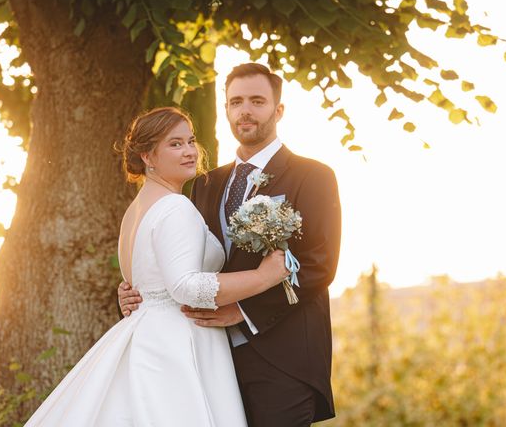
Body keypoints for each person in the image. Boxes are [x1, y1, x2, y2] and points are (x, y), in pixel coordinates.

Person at [24, 106, 288, 426]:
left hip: (146, 331)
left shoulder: (135, 211)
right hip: (178, 341)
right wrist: (263, 276)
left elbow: (144, 281)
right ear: (148, 156)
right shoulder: (175, 206)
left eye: (190, 141)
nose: (190, 151)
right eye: (175, 144)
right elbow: (185, 286)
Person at [119, 63, 342, 426]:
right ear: (226, 110)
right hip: (212, 358)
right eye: (236, 102)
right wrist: (137, 287)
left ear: (278, 110)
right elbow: (184, 259)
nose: (245, 110)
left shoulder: (313, 176)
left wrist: (245, 311)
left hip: (283, 358)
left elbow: (319, 264)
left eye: (257, 101)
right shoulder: (207, 183)